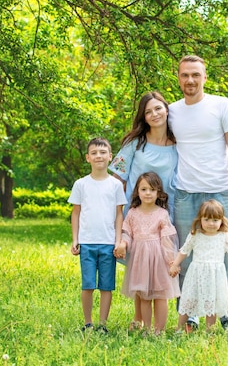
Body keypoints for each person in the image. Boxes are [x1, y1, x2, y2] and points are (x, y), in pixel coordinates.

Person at [168, 54, 228, 331]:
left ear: (205, 77)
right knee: (187, 258)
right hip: (186, 194)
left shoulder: (221, 105)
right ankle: (188, 318)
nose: (190, 80)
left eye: (195, 75)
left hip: (221, 192)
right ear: (178, 78)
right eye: (185, 75)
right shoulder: (172, 111)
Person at [109, 91, 178, 330]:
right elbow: (117, 177)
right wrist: (116, 212)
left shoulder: (178, 142)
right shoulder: (135, 144)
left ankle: (164, 320)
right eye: (148, 112)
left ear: (166, 110)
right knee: (138, 265)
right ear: (143, 117)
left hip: (166, 212)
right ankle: (138, 318)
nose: (154, 114)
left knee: (159, 264)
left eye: (158, 108)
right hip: (137, 212)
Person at [169, 200, 228, 332]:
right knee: (188, 300)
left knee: (210, 304)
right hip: (196, 274)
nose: (211, 224)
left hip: (214, 276)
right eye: (207, 220)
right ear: (200, 219)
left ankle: (209, 331)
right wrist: (175, 264)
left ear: (221, 221)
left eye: (215, 220)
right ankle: (180, 328)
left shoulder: (224, 236)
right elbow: (184, 251)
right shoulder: (195, 234)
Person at [68, 137, 128, 335]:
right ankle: (88, 323)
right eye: (94, 153)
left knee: (106, 286)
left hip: (108, 243)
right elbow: (76, 212)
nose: (98, 156)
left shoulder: (115, 185)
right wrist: (75, 239)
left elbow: (119, 214)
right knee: (87, 285)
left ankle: (103, 324)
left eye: (103, 153)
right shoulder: (81, 184)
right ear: (87, 158)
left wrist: (118, 240)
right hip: (86, 243)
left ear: (110, 157)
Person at [114, 172, 180, 336]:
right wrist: (123, 244)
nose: (148, 193)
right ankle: (147, 328)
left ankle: (160, 329)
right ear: (137, 191)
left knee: (160, 296)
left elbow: (166, 239)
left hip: (158, 260)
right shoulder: (132, 213)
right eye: (144, 189)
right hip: (140, 260)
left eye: (152, 189)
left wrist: (172, 261)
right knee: (143, 295)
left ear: (159, 192)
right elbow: (127, 232)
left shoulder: (162, 213)